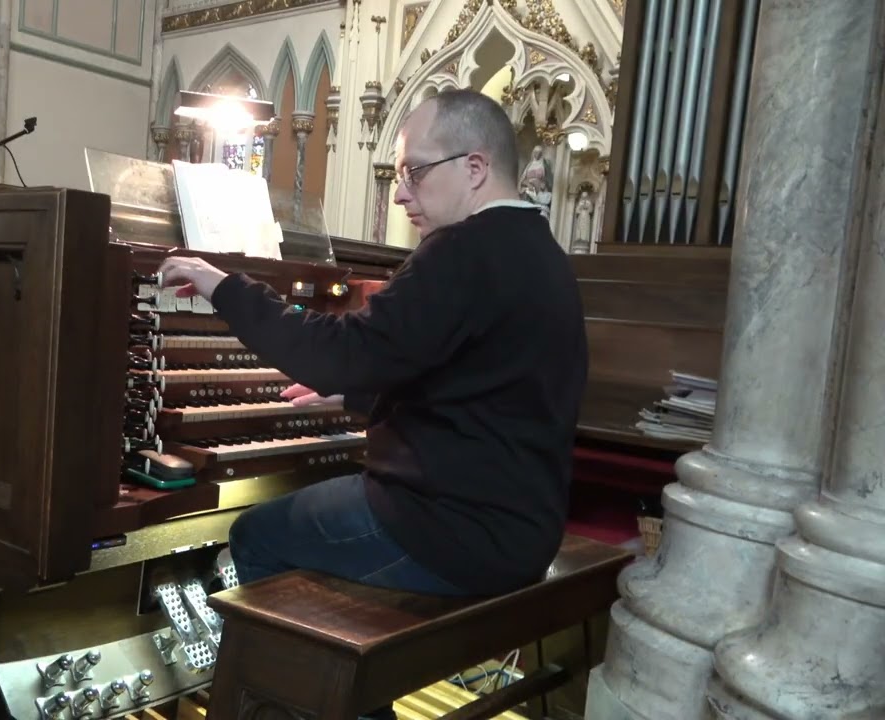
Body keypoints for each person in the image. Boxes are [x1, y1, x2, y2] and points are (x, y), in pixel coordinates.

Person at [158, 88, 587, 716]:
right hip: (522, 527)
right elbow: (472, 377)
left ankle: (329, 698)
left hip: (451, 530)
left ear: (474, 167)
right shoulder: (539, 252)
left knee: (255, 536)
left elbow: (337, 348)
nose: (401, 191)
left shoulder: (464, 251)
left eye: (415, 171)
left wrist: (225, 286)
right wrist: (356, 389)